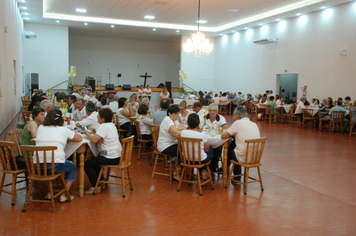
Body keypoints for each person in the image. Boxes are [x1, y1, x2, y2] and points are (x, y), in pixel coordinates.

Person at [35, 109, 82, 202]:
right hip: (56, 165)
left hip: (37, 166)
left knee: (47, 170)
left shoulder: (40, 128)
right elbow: (79, 138)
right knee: (72, 166)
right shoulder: (63, 130)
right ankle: (64, 195)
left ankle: (49, 193)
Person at [84, 108, 122, 194]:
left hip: (110, 157)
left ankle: (95, 186)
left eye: (98, 116)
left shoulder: (104, 126)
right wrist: (95, 132)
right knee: (96, 161)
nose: (97, 117)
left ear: (103, 118)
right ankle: (101, 182)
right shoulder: (111, 125)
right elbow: (103, 136)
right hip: (116, 156)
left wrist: (87, 133)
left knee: (87, 164)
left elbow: (93, 140)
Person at [221, 107, 260, 182]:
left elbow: (224, 136)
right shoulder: (254, 124)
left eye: (234, 115)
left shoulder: (237, 123)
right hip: (255, 157)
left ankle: (225, 169)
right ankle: (235, 176)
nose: (233, 117)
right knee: (234, 145)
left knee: (231, 149)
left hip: (242, 157)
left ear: (238, 115)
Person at [180, 113, 213, 178]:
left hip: (186, 159)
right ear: (198, 124)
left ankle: (194, 172)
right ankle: (204, 171)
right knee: (211, 149)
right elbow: (207, 148)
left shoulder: (183, 133)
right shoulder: (202, 135)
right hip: (200, 160)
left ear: (188, 124)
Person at [200, 103, 228, 173]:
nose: (212, 112)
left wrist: (218, 129)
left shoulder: (220, 118)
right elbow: (198, 127)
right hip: (205, 140)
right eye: (211, 110)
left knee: (218, 148)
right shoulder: (203, 117)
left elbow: (225, 127)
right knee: (202, 148)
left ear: (217, 111)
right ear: (208, 111)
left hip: (216, 140)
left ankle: (212, 169)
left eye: (214, 110)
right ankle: (202, 169)